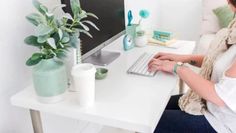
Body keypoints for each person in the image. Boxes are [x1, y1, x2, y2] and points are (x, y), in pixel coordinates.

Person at [148, 0, 236, 132]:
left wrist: (177, 67)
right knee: (155, 106)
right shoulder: (233, 28)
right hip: (207, 103)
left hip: (221, 122)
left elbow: (219, 96)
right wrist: (182, 58)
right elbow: (217, 61)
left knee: (151, 121)